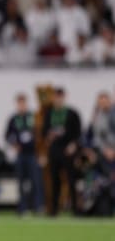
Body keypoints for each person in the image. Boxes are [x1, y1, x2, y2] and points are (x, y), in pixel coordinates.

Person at [42, 87, 81, 216]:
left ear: (64, 97)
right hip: (54, 151)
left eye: (60, 97)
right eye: (56, 97)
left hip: (68, 151)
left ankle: (75, 209)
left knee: (71, 180)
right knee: (54, 181)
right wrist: (48, 137)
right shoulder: (49, 113)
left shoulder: (72, 113)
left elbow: (78, 133)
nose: (58, 100)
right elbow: (44, 132)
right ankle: (53, 210)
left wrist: (74, 145)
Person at [5, 93, 44, 215]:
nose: (21, 106)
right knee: (21, 182)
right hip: (21, 155)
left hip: (32, 154)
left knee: (36, 181)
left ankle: (37, 207)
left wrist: (40, 152)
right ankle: (22, 208)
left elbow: (40, 135)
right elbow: (8, 135)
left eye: (23, 103)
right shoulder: (13, 119)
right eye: (19, 103)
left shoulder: (33, 117)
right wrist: (14, 144)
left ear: (26, 104)